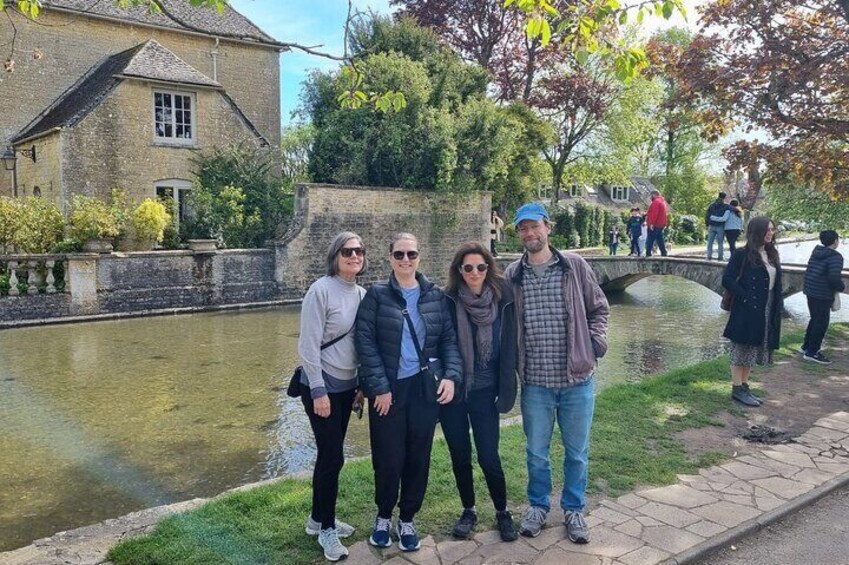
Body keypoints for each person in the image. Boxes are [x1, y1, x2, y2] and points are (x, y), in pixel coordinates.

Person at [503, 203, 609, 544]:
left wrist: (594, 345)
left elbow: (599, 308)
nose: (529, 233)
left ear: (548, 227)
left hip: (577, 379)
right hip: (535, 382)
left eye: (534, 226)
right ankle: (537, 506)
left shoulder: (573, 266)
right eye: (522, 228)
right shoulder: (512, 275)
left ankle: (574, 509)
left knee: (576, 452)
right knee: (536, 452)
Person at [355, 233, 462, 553]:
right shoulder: (376, 295)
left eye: (411, 254)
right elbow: (365, 342)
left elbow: (449, 342)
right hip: (388, 389)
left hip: (423, 389)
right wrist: (379, 388)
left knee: (418, 456)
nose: (405, 260)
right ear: (389, 258)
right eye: (399, 254)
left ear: (419, 257)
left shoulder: (435, 297)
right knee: (388, 459)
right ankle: (384, 516)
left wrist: (451, 377)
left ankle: (408, 519)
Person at [441, 242, 519, 542]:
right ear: (459, 271)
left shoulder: (504, 298)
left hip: (487, 391)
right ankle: (469, 510)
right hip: (456, 391)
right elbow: (438, 343)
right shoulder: (447, 299)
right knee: (460, 455)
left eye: (481, 267)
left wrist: (507, 385)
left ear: (489, 268)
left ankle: (502, 512)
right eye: (468, 267)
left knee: (489, 457)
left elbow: (511, 345)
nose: (475, 273)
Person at [297, 232, 368, 562]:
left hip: (346, 389)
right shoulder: (320, 290)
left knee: (328, 457)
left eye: (359, 251)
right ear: (335, 255)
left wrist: (360, 386)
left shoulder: (363, 294)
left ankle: (315, 520)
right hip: (321, 389)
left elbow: (360, 348)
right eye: (347, 251)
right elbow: (308, 346)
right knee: (333, 457)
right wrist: (318, 390)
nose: (354, 255)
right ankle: (326, 529)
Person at [721, 217, 783, 407]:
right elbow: (728, 279)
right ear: (756, 232)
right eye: (767, 230)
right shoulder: (742, 254)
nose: (770, 233)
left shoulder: (772, 255)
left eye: (772, 230)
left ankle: (744, 386)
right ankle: (737, 388)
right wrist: (745, 297)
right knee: (742, 347)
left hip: (767, 306)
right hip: (747, 307)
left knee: (753, 346)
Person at [801, 230, 845, 364]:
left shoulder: (816, 253)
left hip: (811, 290)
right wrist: (841, 287)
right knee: (821, 322)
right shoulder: (836, 257)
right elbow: (833, 277)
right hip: (823, 293)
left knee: (815, 319)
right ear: (835, 241)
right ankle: (812, 352)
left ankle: (806, 346)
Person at [705, 192, 730, 261]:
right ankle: (720, 257)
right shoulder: (726, 206)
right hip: (720, 226)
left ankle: (709, 256)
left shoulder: (712, 205)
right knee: (720, 243)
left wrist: (707, 224)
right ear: (724, 198)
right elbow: (732, 210)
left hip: (712, 225)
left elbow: (707, 215)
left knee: (710, 242)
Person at [645, 190, 669, 257]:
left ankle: (648, 253)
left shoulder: (656, 202)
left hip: (655, 224)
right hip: (661, 224)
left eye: (651, 196)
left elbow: (654, 214)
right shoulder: (662, 202)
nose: (650, 197)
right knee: (659, 239)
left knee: (650, 238)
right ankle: (664, 252)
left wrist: (651, 223)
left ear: (653, 195)